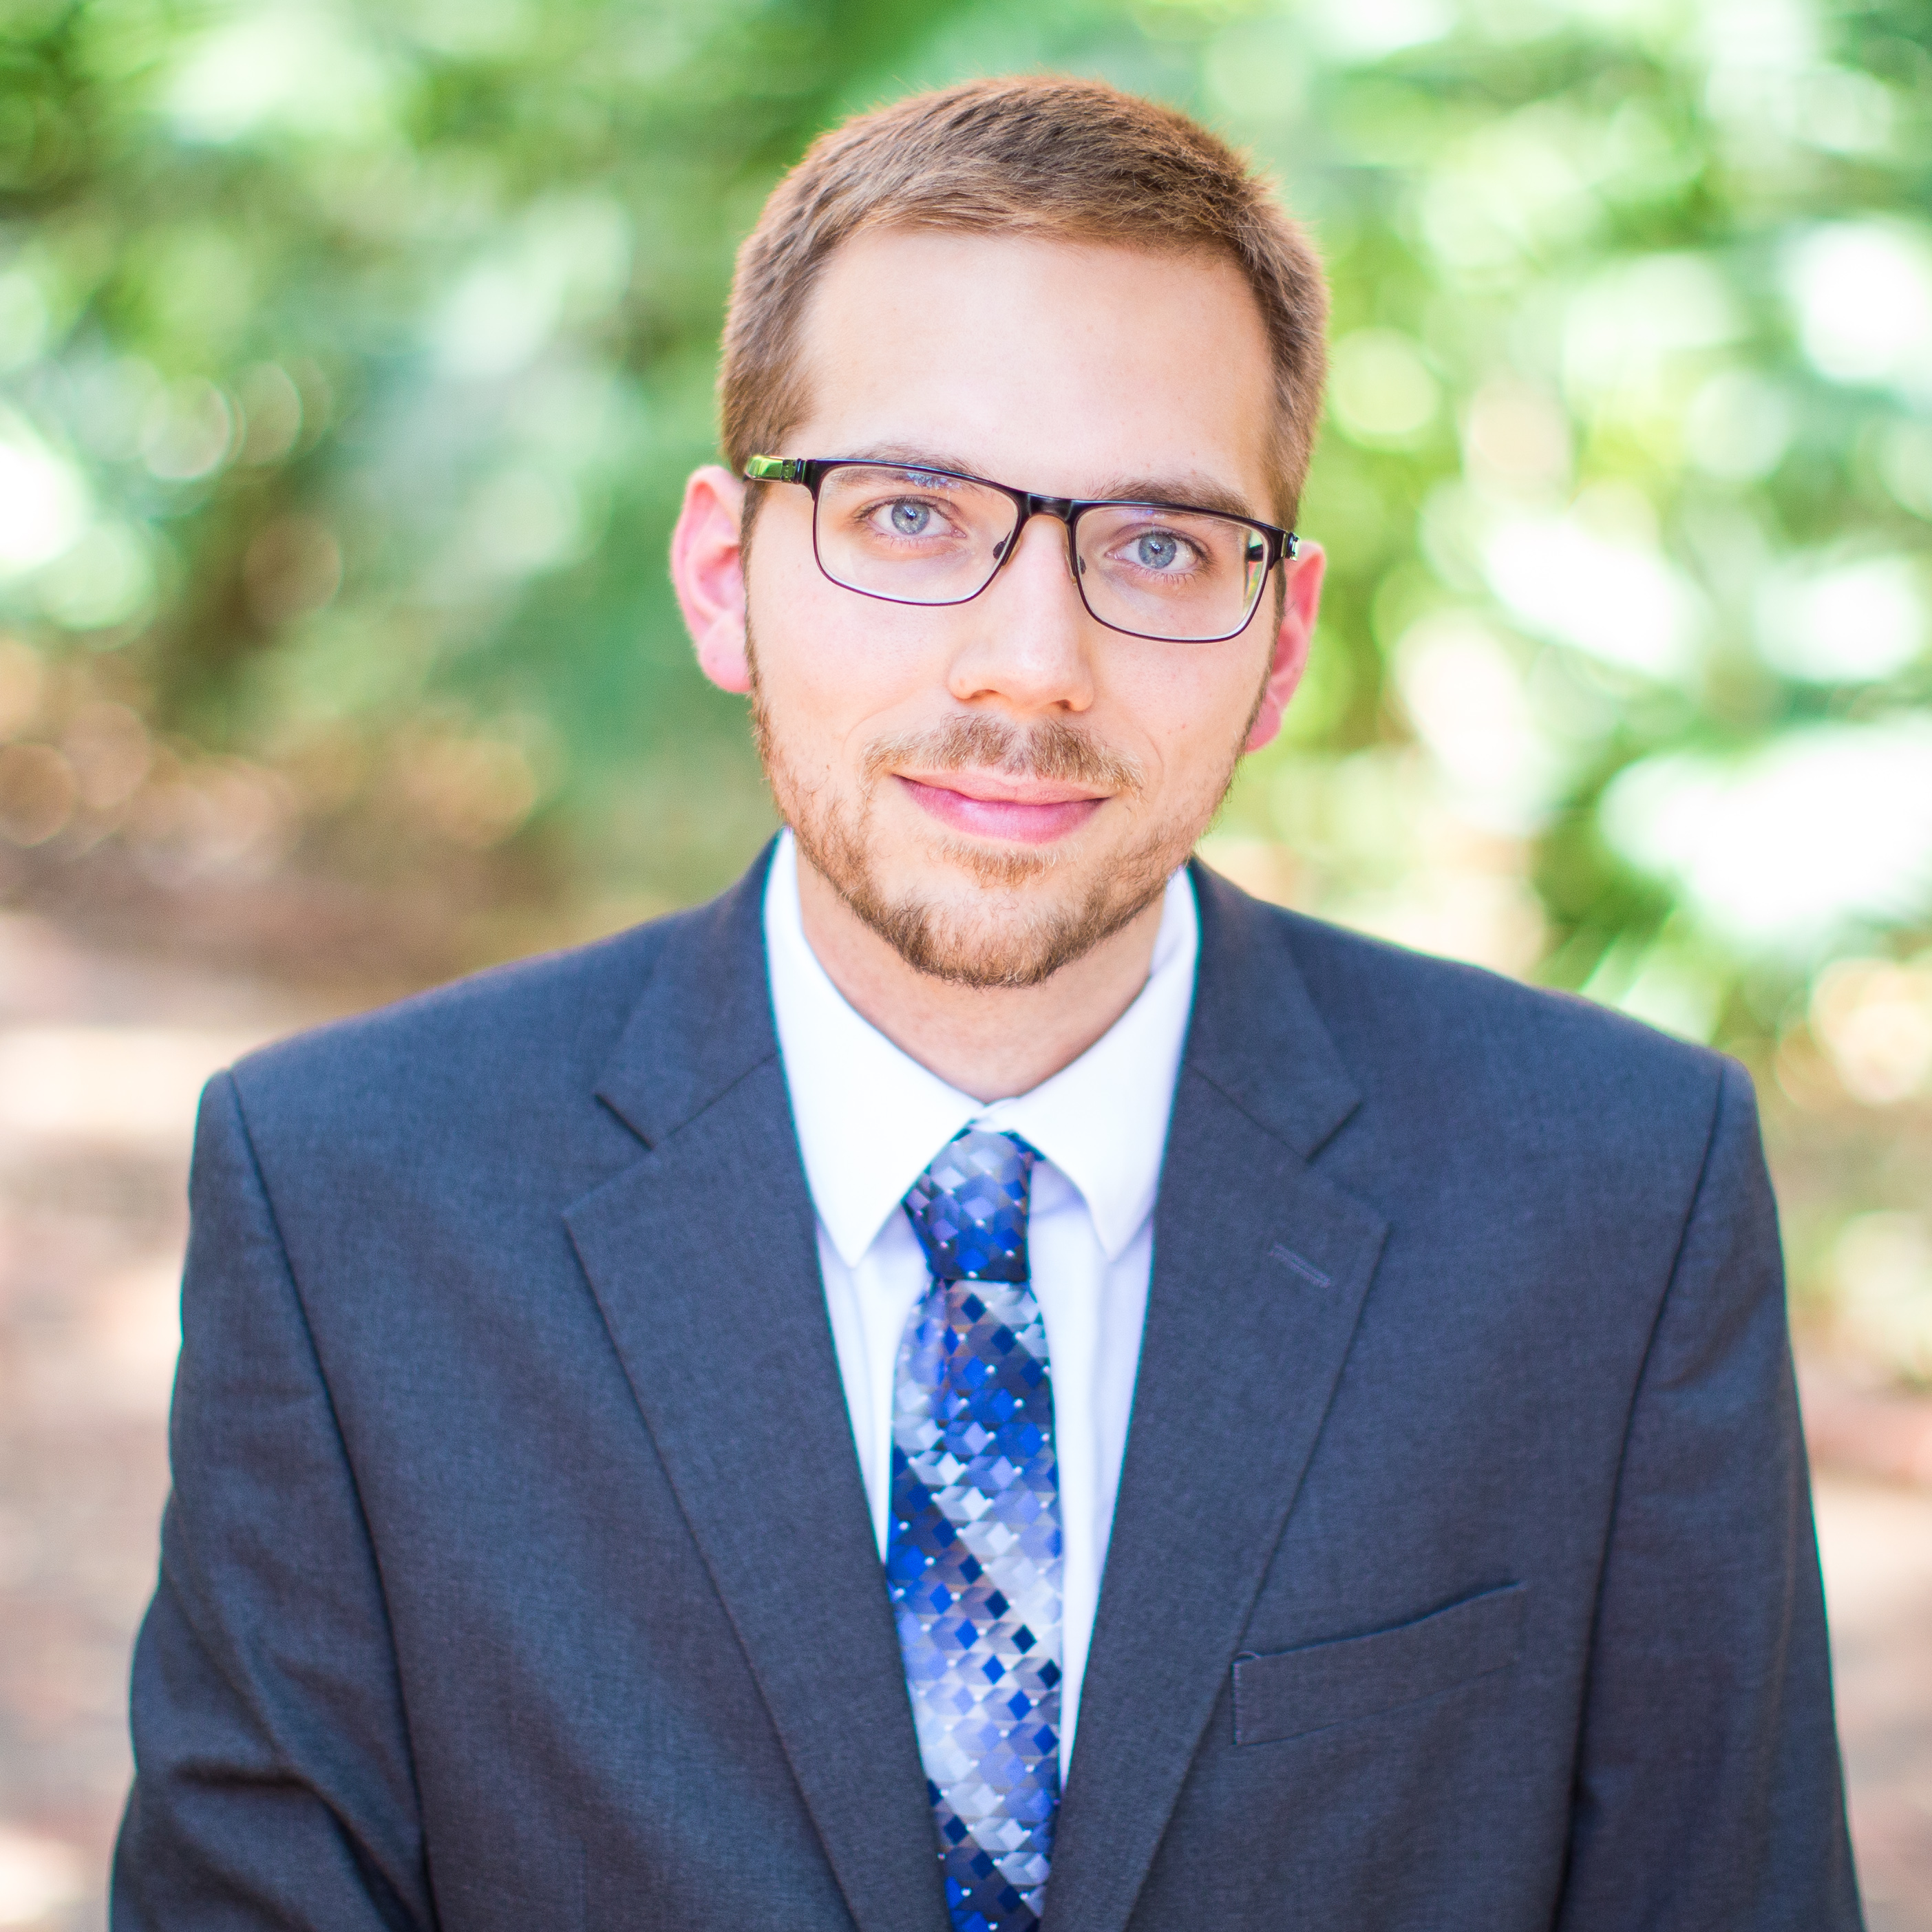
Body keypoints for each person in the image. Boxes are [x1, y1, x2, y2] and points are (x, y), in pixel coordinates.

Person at [114, 75, 1861, 1932]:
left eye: (1160, 545)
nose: (1031, 667)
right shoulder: (349, 1206)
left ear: (1279, 644)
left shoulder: (1614, 1198)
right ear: (722, 578)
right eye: (910, 514)